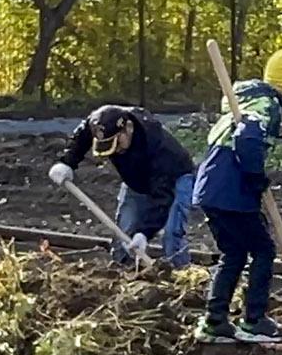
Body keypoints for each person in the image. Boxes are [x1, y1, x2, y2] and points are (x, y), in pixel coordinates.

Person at [192, 48, 282, 346]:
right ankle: (254, 320)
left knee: (233, 254)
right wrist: (256, 179)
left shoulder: (246, 101)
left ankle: (215, 321)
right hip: (232, 191)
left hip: (211, 188)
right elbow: (247, 139)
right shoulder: (267, 105)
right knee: (263, 250)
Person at [48, 105, 196, 267]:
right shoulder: (101, 122)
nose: (115, 151)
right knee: (123, 235)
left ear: (129, 128)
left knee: (171, 235)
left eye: (117, 144)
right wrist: (67, 162)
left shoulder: (158, 148)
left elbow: (162, 198)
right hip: (136, 181)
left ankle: (180, 274)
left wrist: (144, 233)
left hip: (175, 179)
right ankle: (123, 272)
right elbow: (83, 135)